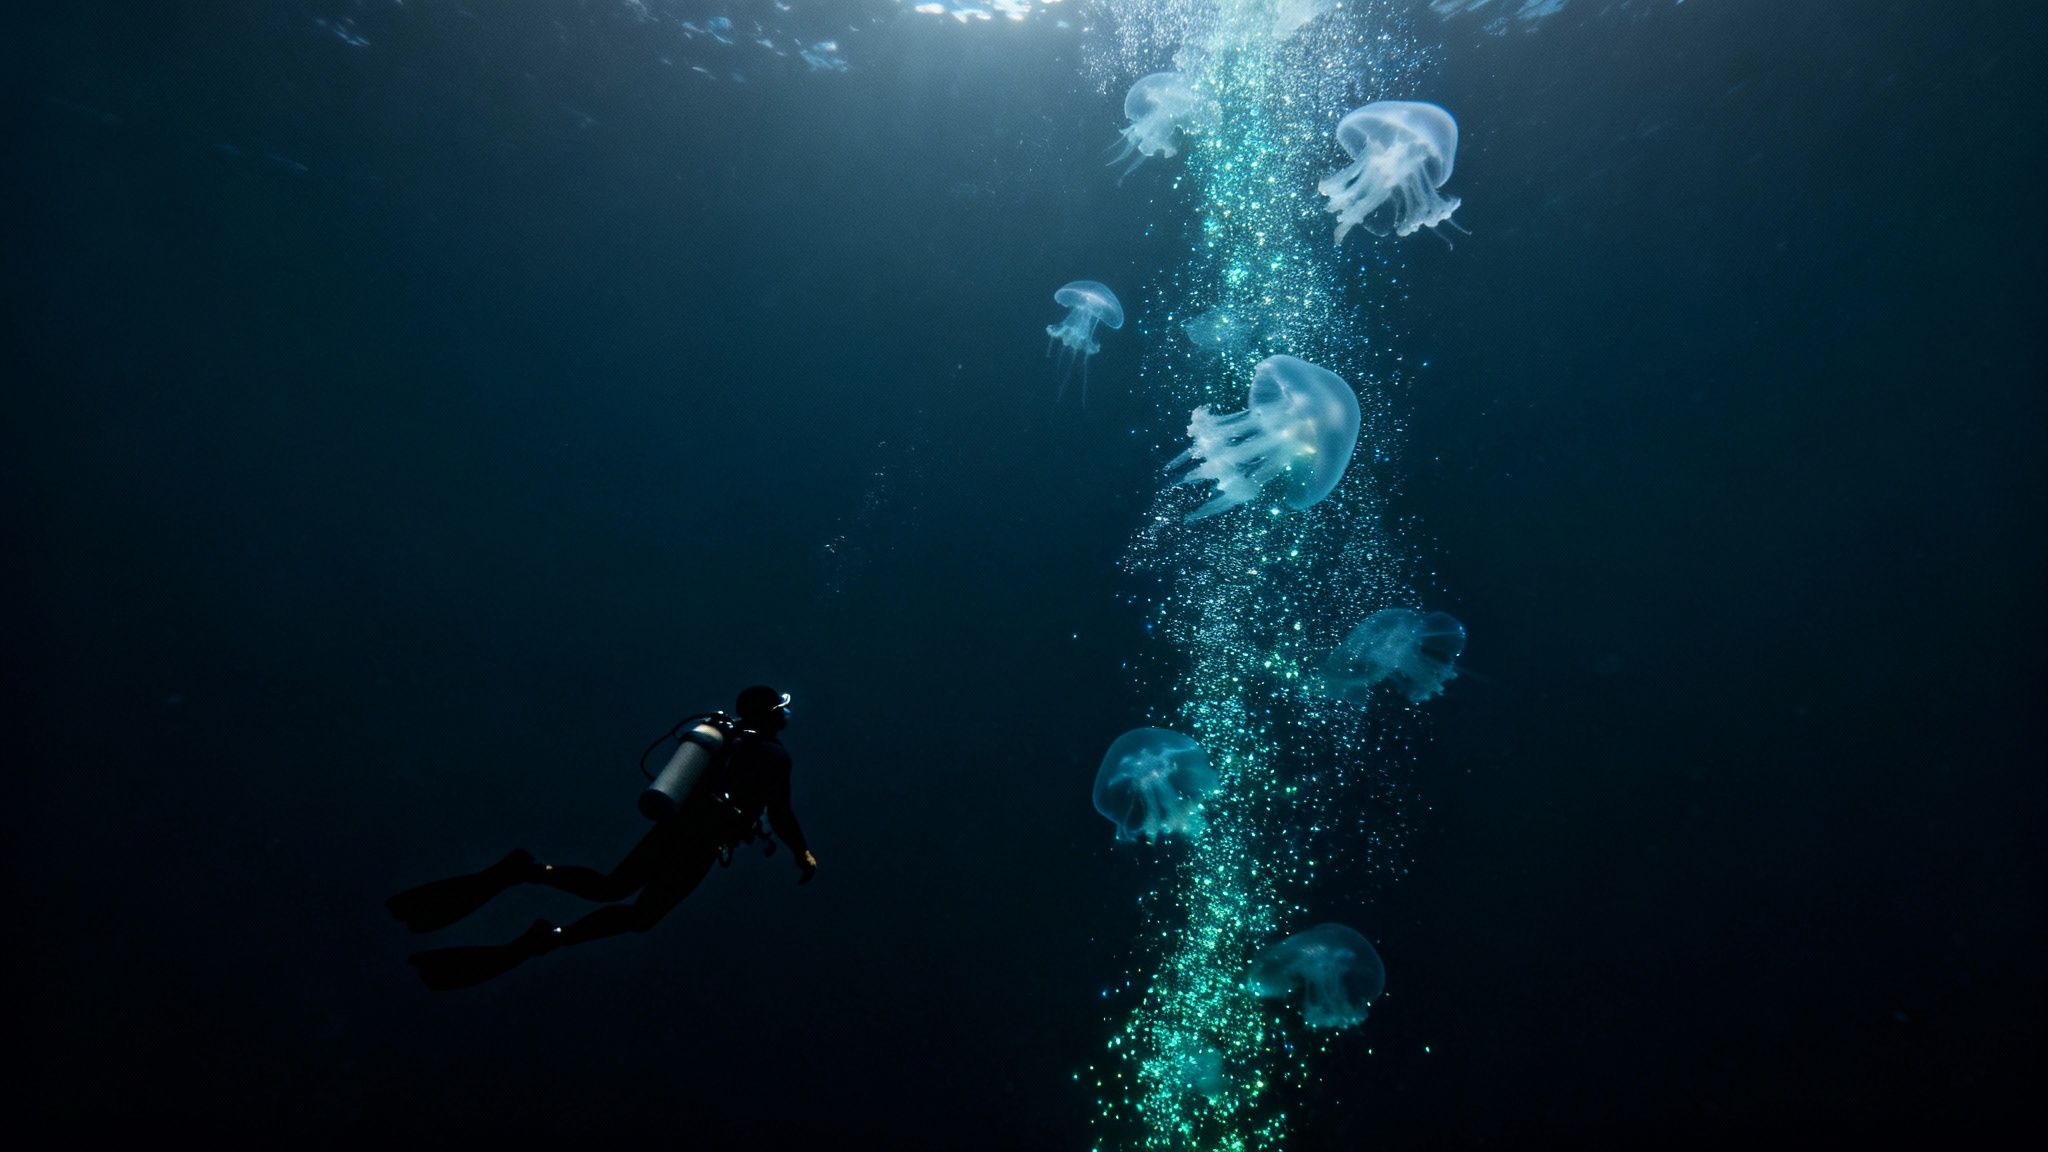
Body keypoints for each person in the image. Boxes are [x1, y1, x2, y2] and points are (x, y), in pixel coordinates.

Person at [388, 685, 817, 990]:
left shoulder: (724, 739)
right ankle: (548, 937)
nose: (786, 713)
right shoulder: (772, 754)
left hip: (671, 829)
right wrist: (801, 852)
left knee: (610, 886)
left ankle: (529, 872)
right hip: (700, 844)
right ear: (769, 714)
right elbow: (779, 812)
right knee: (641, 916)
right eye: (781, 707)